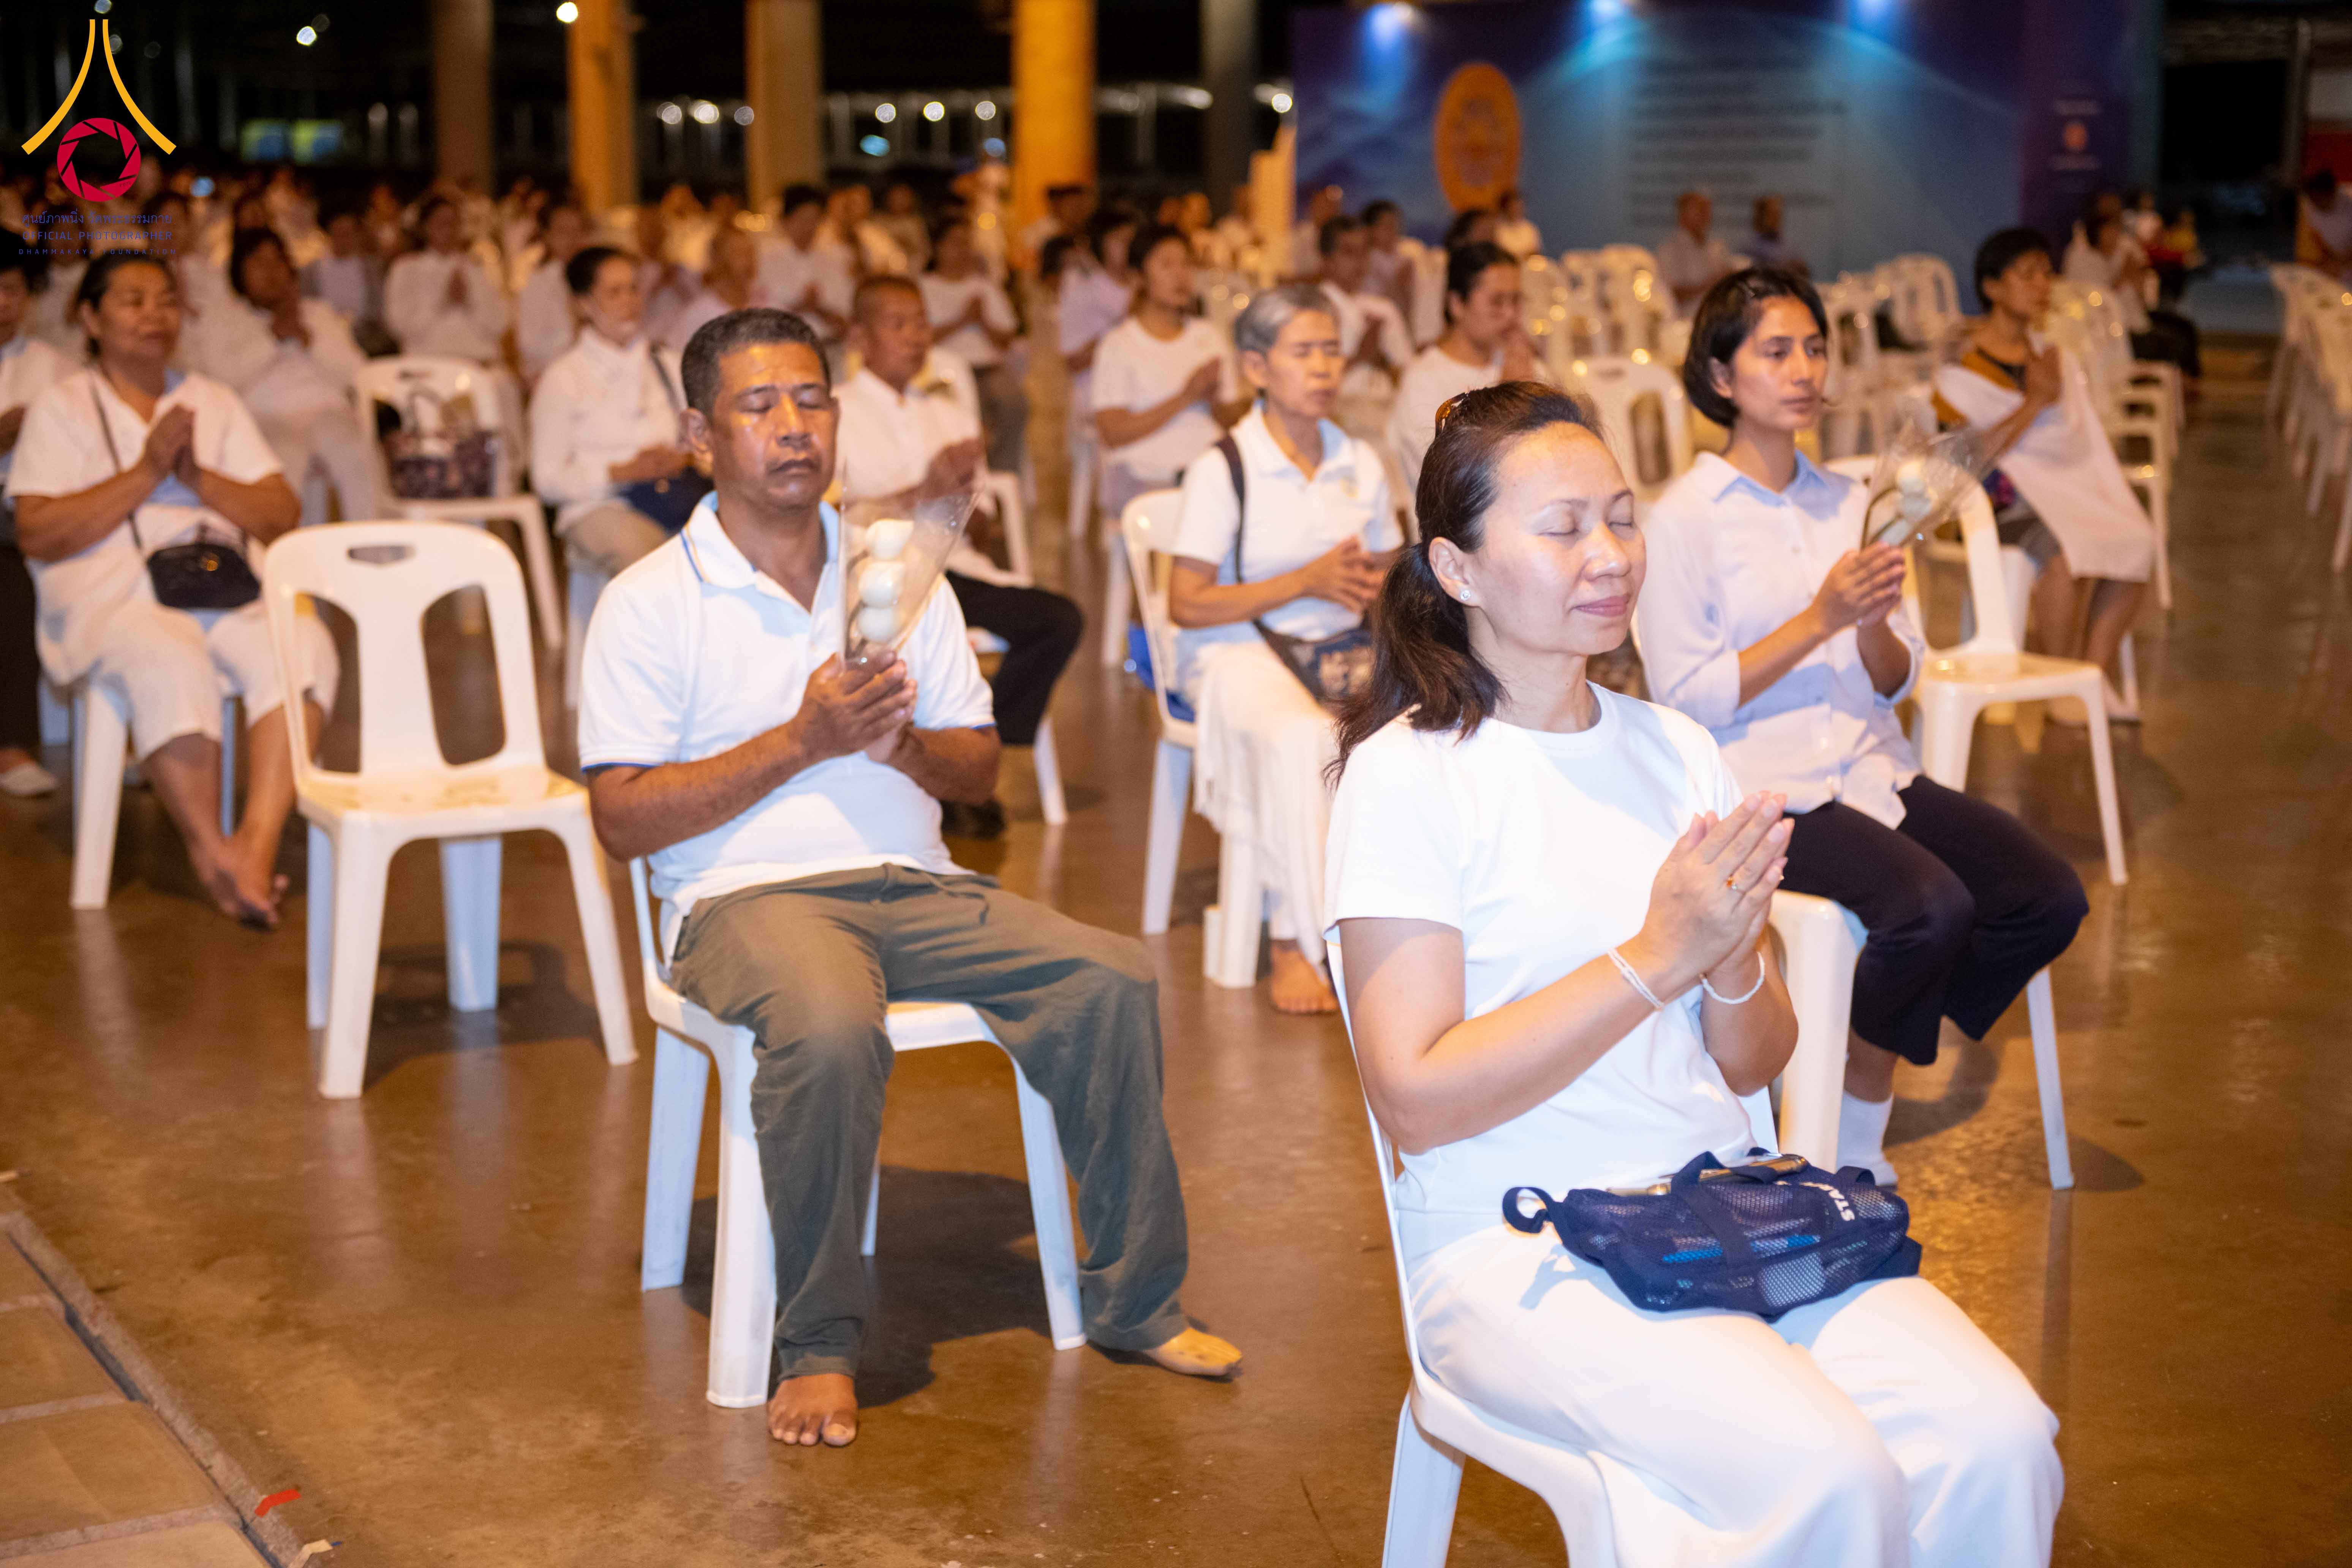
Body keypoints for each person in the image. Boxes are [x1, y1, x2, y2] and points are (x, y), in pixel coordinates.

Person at [1326, 378, 2063, 1567]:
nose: (1610, 553)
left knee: (1999, 1436)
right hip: (1518, 1242)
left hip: (1718, 1201)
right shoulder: (1409, 777)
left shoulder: (1675, 749)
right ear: (1456, 569)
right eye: (1562, 528)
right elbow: (1414, 1091)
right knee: (1827, 1471)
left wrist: (1726, 961)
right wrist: (1655, 953)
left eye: (1621, 516)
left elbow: (1752, 1057)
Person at [577, 305, 1242, 1448]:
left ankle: (1137, 1301)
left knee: (1111, 977)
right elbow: (623, 818)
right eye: (759, 405)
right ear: (700, 434)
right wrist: (804, 737)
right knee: (831, 1025)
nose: (795, 427)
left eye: (811, 399)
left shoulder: (900, 575)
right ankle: (821, 1338)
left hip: (915, 882)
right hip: (743, 900)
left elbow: (978, 765)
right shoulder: (652, 600)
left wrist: (897, 744)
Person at [1638, 267, 2090, 1183]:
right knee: (1929, 908)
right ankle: (1855, 1123)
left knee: (2046, 897)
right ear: (1720, 377)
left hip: (1871, 769)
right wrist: (1816, 616)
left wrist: (1873, 621)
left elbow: (1896, 679)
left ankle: (1852, 1042)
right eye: (1775, 351)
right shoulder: (1682, 517)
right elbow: (1684, 697)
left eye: (1813, 348)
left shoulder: (1850, 500)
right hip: (1765, 791)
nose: (1803, 369)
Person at [6, 251, 336, 926]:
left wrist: (198, 477)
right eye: (132, 301)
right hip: (112, 594)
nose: (153, 315)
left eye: (165, 300)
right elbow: (37, 532)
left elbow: (281, 514)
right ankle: (211, 852)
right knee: (167, 652)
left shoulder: (211, 399)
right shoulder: (63, 407)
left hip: (222, 586)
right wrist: (147, 471)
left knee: (302, 640)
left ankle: (256, 842)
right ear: (90, 318)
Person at [1167, 285, 1398, 1014]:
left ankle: (1404, 924)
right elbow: (1186, 600)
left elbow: (1394, 569)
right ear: (1257, 368)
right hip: (1236, 649)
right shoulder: (1225, 467)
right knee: (1307, 739)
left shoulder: (1358, 459)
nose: (1325, 367)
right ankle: (1296, 941)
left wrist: (1371, 584)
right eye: (1305, 352)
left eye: (1332, 349)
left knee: (1441, 721)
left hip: (1340, 646)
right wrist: (1304, 580)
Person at [833, 277, 1083, 838]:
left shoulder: (949, 413)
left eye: (921, 322)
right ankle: (935, 773)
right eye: (898, 324)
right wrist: (923, 491)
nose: (916, 336)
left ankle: (971, 756)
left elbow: (987, 525)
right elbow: (833, 520)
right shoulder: (834, 413)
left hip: (955, 571)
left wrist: (962, 495)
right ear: (859, 337)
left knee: (1058, 620)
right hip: (879, 578)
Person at [1933, 228, 2153, 716]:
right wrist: (2035, 402)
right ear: (1992, 288)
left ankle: (2090, 678)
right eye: (2027, 274)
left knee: (2136, 538)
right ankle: (2059, 690)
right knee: (2061, 553)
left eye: (2046, 273)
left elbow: (2074, 441)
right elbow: (1963, 461)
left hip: (2060, 491)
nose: (2042, 285)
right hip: (1989, 501)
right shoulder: (1961, 367)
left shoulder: (2051, 357)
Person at [529, 247, 695, 580]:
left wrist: (683, 459)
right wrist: (620, 472)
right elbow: (546, 480)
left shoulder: (667, 363)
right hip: (599, 505)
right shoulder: (564, 377)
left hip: (672, 492)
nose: (629, 301)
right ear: (583, 305)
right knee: (649, 560)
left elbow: (701, 436)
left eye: (634, 289)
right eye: (614, 292)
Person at [214, 228, 381, 530]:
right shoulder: (228, 319)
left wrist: (309, 339)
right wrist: (272, 337)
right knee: (286, 473)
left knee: (359, 460)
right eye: (259, 264)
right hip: (267, 418)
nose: (271, 273)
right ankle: (295, 568)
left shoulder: (318, 313)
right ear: (240, 274)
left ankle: (375, 556)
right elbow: (222, 380)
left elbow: (356, 371)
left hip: (329, 413)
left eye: (278, 262)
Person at [1089, 224, 1247, 519]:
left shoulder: (1208, 335)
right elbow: (1112, 432)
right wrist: (1187, 397)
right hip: (1145, 475)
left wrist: (1214, 402)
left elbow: (1232, 419)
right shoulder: (1120, 344)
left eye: (1186, 264)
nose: (1181, 275)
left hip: (1208, 469)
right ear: (1139, 278)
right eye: (1166, 265)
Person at [1389, 242, 1539, 521]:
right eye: (1497, 302)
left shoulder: (1525, 364)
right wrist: (1511, 395)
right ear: (1457, 304)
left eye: (1516, 301)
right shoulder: (1424, 380)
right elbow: (1453, 482)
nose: (1510, 315)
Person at [0, 236, 71, 796]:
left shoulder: (53, 369)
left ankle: (12, 744)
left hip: (28, 512)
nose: (1, 301)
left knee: (17, 582)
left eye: (10, 289)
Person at [918, 214, 1028, 478]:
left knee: (1015, 404)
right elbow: (921, 338)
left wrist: (984, 321)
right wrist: (962, 320)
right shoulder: (924, 287)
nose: (962, 251)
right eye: (954, 243)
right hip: (941, 371)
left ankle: (1002, 476)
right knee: (947, 414)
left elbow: (1007, 339)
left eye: (966, 244)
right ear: (938, 247)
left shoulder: (985, 286)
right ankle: (951, 479)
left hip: (987, 367)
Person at [2063, 198, 2200, 384]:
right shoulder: (2082, 258)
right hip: (2114, 332)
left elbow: (2142, 280)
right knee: (2174, 343)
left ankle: (2189, 381)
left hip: (2135, 317)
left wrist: (2137, 280)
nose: (2114, 236)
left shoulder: (2121, 250)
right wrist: (2124, 275)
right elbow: (2100, 301)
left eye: (2116, 231)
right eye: (2109, 232)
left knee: (2185, 327)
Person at [384, 194, 509, 363]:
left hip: (478, 360)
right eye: (441, 223)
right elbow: (398, 326)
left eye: (453, 223)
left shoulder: (478, 268)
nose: (448, 230)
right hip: (429, 361)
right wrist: (443, 301)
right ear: (425, 227)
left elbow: (500, 324)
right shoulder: (407, 269)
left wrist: (470, 300)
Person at [756, 184, 854, 349]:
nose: (809, 227)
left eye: (815, 220)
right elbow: (762, 318)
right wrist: (802, 306)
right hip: (785, 348)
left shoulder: (835, 258)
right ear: (786, 220)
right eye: (803, 219)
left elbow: (845, 318)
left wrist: (818, 308)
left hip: (830, 346)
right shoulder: (766, 260)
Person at [515, 202, 591, 385]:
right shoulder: (537, 282)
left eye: (577, 231)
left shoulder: (594, 279)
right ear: (548, 236)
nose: (572, 239)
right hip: (554, 372)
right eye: (563, 232)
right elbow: (528, 344)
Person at [301, 203, 392, 356]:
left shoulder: (372, 269)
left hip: (367, 341)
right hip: (325, 340)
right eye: (339, 233)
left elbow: (380, 313)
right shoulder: (311, 272)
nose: (344, 239)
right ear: (328, 234)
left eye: (349, 233)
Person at [664, 223, 770, 353]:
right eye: (738, 254)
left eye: (751, 252)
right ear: (718, 261)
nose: (748, 261)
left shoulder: (769, 304)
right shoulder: (697, 314)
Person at [1657, 190, 1739, 316]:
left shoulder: (1718, 247)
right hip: (1685, 322)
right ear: (1682, 214)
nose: (1705, 214)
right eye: (1699, 210)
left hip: (1719, 319)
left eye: (1706, 209)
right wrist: (1714, 282)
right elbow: (1673, 295)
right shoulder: (1670, 250)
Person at [633, 202, 698, 349]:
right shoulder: (631, 271)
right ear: (637, 233)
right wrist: (657, 285)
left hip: (679, 345)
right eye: (647, 229)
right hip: (646, 347)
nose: (652, 235)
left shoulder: (680, 269)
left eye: (656, 229)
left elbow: (697, 303)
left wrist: (675, 281)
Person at [2300, 169, 2352, 282]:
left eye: (2319, 200)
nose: (2316, 204)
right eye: (2313, 200)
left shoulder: (2349, 203)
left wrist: (2344, 261)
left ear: (2332, 194)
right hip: (2336, 263)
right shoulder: (2309, 204)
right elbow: (2316, 234)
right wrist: (2329, 259)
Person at [874, 182, 931, 275]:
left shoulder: (916, 224)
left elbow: (924, 252)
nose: (899, 201)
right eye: (895, 197)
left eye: (903, 198)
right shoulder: (877, 221)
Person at [1745, 194, 1807, 277]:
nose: (1776, 219)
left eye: (1778, 214)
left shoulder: (1788, 246)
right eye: (1771, 214)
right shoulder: (1749, 247)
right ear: (1761, 216)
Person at [1291, 185, 1345, 279]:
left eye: (1334, 206)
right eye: (1325, 205)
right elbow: (1288, 277)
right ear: (1313, 207)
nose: (1330, 211)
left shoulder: (1342, 236)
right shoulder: (1299, 236)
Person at [1492, 189, 1541, 261]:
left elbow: (1536, 252)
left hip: (1527, 266)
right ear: (1505, 208)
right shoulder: (1497, 228)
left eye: (1520, 207)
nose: (1517, 210)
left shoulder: (1529, 227)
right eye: (1513, 207)